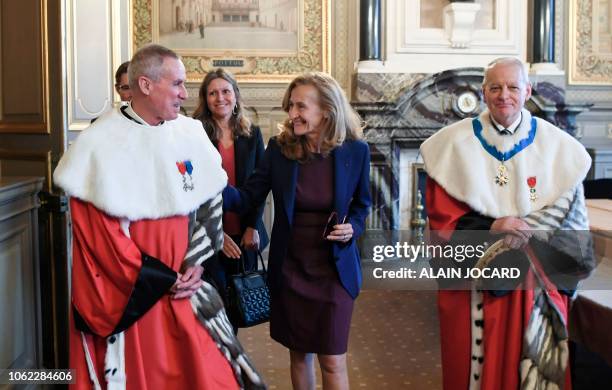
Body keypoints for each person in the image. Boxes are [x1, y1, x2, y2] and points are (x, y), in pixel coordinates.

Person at [54, 44, 264, 389]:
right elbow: (99, 237)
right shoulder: (97, 144)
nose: (185, 93)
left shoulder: (190, 132)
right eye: (177, 84)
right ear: (146, 85)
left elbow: (210, 200)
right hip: (135, 297)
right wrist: (162, 278)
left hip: (187, 287)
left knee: (208, 376)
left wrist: (196, 263)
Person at [420, 57, 594, 390]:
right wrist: (493, 227)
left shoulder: (559, 147)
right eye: (496, 87)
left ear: (527, 91)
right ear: (483, 93)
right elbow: (442, 222)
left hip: (537, 283)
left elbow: (572, 223)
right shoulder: (451, 146)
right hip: (478, 286)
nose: (505, 95)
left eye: (513, 87)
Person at [223, 72, 371, 390]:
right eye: (291, 106)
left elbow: (362, 204)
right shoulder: (279, 149)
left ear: (327, 110)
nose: (292, 114)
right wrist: (212, 181)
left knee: (333, 359)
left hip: (335, 269)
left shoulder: (355, 151)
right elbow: (247, 197)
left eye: (301, 106)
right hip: (291, 268)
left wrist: (353, 228)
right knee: (299, 356)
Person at [192, 68, 269, 328]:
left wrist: (252, 227)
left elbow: (260, 186)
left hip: (244, 235)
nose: (220, 98)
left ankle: (229, 362)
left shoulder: (252, 134)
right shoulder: (194, 135)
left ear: (235, 96)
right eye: (212, 93)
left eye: (225, 91)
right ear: (205, 98)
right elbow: (193, 191)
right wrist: (216, 233)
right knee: (214, 305)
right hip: (208, 234)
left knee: (238, 306)